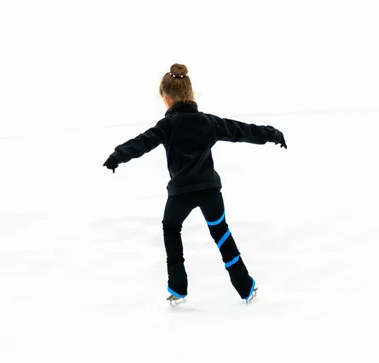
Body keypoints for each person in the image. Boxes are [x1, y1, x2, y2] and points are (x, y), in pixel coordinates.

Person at [103, 64, 287, 307]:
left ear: (166, 99)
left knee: (171, 228)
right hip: (210, 191)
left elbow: (142, 142)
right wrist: (272, 134)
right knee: (221, 233)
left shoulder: (166, 126)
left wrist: (117, 156)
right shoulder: (208, 122)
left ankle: (178, 288)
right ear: (190, 94)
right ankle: (246, 287)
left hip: (181, 193)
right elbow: (241, 131)